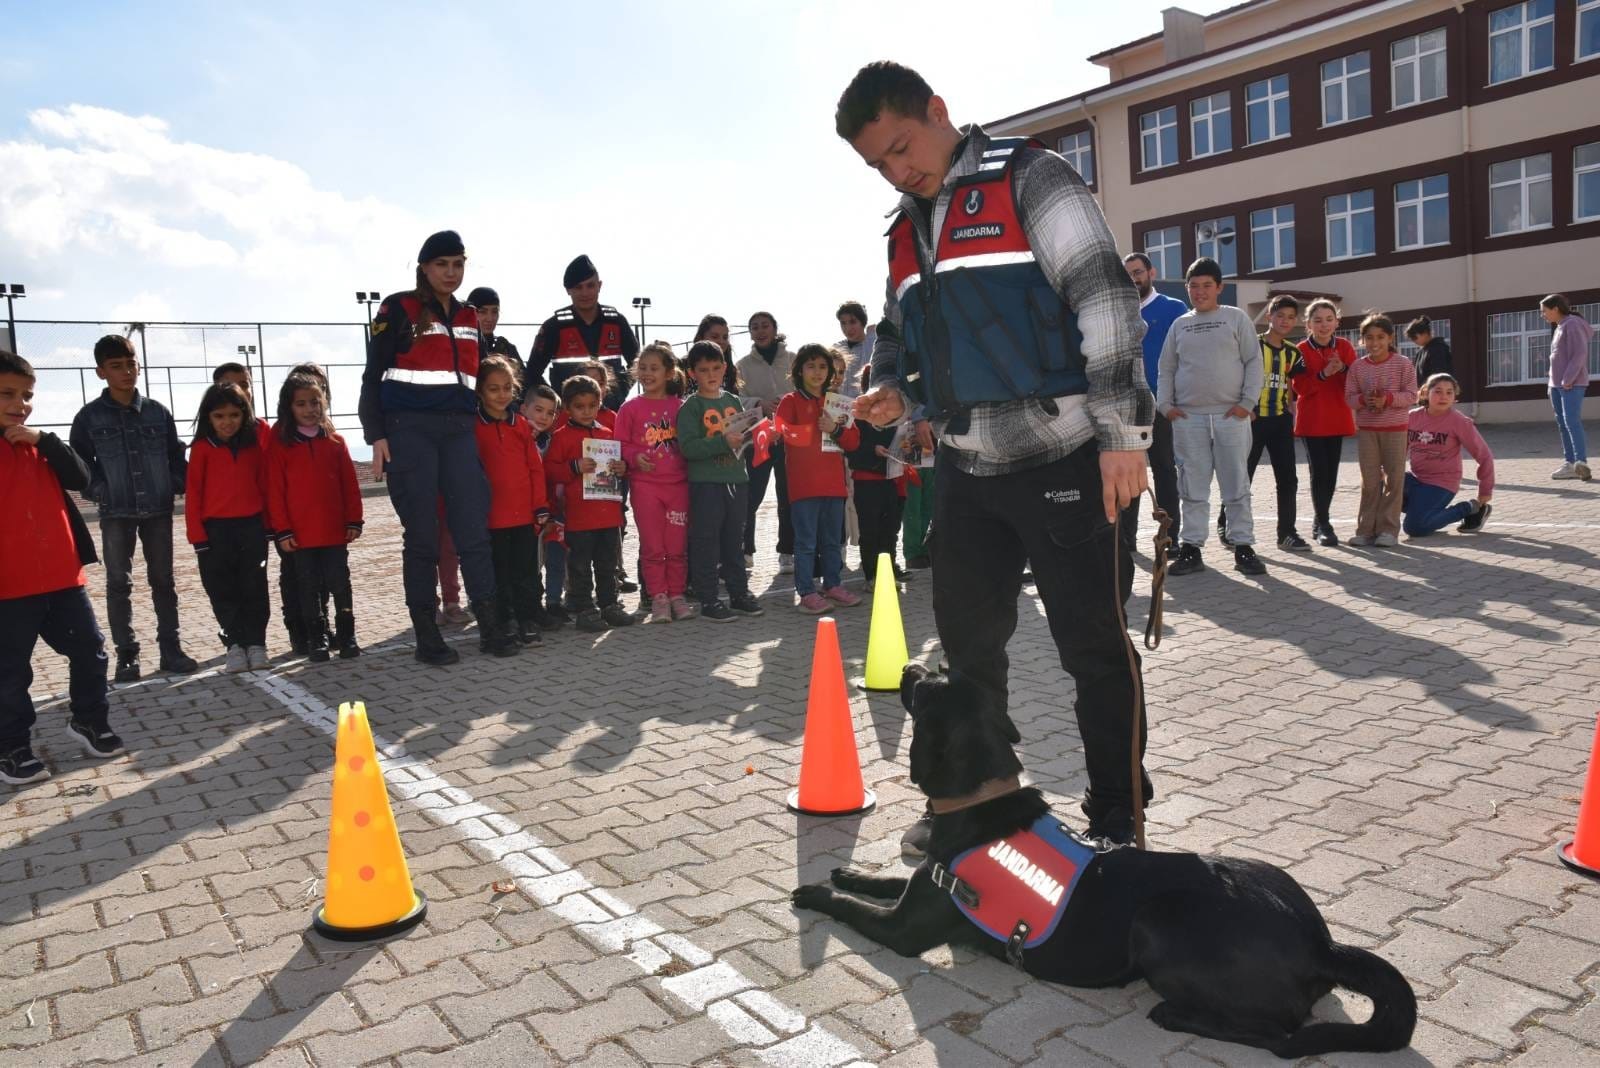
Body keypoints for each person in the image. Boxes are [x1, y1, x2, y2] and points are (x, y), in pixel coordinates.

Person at [838, 60, 1152, 850]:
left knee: (1093, 648)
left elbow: (1106, 299)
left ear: (940, 111)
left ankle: (1118, 815)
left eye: (904, 147)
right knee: (968, 652)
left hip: (1069, 458)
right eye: (879, 164)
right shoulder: (904, 231)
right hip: (965, 472)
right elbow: (898, 336)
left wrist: (1121, 435)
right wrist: (892, 394)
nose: (899, 170)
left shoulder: (1031, 177)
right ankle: (978, 803)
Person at [359, 230, 514, 663]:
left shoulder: (468, 316)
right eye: (442, 264)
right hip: (410, 431)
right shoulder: (398, 307)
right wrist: (377, 435)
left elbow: (478, 381)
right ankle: (427, 635)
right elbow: (373, 374)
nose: (451, 272)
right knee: (423, 537)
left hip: (460, 432)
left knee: (472, 531)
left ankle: (490, 627)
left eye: (458, 264)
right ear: (424, 267)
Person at [1, 349, 121, 784]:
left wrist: (45, 441)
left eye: (27, 395)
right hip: (8, 590)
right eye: (7, 394)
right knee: (11, 674)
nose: (20, 404)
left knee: (90, 650)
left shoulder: (39, 446)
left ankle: (88, 720)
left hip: (62, 580)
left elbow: (82, 479)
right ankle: (12, 748)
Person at [68, 334, 197, 682]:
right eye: (116, 366)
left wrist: (173, 483)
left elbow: (176, 455)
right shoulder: (89, 417)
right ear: (101, 372)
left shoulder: (158, 412)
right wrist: (100, 491)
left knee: (163, 581)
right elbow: (78, 466)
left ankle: (171, 649)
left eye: (131, 364)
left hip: (157, 510)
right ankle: (127, 656)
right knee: (118, 583)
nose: (126, 372)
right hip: (115, 512)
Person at [1157, 257, 1266, 577]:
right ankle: (1191, 549)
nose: (1200, 291)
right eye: (1194, 286)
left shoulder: (1235, 319)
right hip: (1188, 420)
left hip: (1231, 418)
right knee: (1191, 486)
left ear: (1219, 287)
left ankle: (1243, 547)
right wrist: (1166, 406)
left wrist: (1247, 402)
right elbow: (1166, 368)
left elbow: (1253, 362)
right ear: (1187, 289)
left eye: (1207, 285)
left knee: (1236, 484)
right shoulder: (1180, 324)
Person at [266, 374, 363, 662]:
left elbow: (349, 484)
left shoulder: (336, 442)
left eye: (315, 402)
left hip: (335, 533)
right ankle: (317, 639)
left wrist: (353, 520)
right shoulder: (281, 446)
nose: (310, 409)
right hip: (300, 537)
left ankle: (348, 636)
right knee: (308, 589)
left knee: (340, 585)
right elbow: (275, 491)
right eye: (301, 404)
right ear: (289, 407)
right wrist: (282, 530)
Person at [185, 383, 270, 673]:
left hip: (252, 528)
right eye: (219, 416)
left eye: (234, 414)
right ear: (208, 417)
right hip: (214, 533)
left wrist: (268, 525)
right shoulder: (200, 449)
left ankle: (257, 644)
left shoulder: (254, 445)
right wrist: (197, 536)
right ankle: (234, 645)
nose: (227, 422)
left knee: (254, 587)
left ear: (245, 414)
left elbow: (264, 485)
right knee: (221, 590)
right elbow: (193, 493)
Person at [677, 341, 764, 623]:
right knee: (706, 542)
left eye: (716, 368)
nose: (711, 374)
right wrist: (722, 442)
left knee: (733, 541)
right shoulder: (691, 407)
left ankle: (739, 594)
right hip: (706, 484)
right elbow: (689, 448)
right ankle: (708, 599)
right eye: (703, 370)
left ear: (725, 368)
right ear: (692, 374)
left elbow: (742, 438)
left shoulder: (732, 400)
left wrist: (756, 436)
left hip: (737, 480)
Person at [777, 344, 863, 613]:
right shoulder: (790, 401)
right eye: (811, 366)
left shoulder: (837, 402)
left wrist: (835, 428)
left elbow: (854, 442)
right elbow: (780, 432)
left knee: (831, 542)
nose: (817, 372)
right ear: (799, 370)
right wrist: (810, 429)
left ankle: (833, 585)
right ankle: (806, 592)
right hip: (804, 487)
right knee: (805, 543)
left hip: (834, 486)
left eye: (823, 367)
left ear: (831, 372)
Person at [545, 375, 633, 633]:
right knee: (580, 566)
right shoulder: (561, 436)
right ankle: (584, 608)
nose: (586, 411)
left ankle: (609, 605)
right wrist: (574, 466)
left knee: (608, 564)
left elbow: (619, 470)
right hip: (579, 516)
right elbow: (550, 470)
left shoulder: (607, 434)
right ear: (567, 408)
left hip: (609, 515)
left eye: (592, 405)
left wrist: (621, 468)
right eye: (579, 406)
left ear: (600, 403)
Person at [1219, 295, 1307, 551]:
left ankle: (1286, 533)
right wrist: (1247, 408)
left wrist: (1292, 412)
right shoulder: (1253, 345)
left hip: (1280, 422)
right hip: (1252, 421)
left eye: (1291, 317)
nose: (1285, 321)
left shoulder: (1293, 352)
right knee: (1242, 476)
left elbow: (1292, 386)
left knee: (1288, 479)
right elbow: (1235, 376)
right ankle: (1227, 524)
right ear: (1269, 316)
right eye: (1280, 316)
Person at [474, 356, 551, 647]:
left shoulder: (520, 425)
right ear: (480, 391)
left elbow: (535, 467)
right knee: (499, 574)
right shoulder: (473, 428)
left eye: (507, 387)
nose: (502, 394)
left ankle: (527, 619)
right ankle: (503, 620)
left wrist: (540, 505)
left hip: (524, 517)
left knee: (526, 572)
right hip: (491, 519)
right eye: (493, 389)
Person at [617, 344, 696, 623]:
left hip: (678, 487)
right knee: (652, 547)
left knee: (676, 547)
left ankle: (677, 595)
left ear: (669, 372)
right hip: (645, 487)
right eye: (643, 367)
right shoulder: (629, 409)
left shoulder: (681, 407)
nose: (647, 373)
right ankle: (658, 598)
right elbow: (621, 445)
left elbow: (692, 442)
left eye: (654, 368)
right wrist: (636, 457)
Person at [1119, 253, 1186, 554]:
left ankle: (1169, 536)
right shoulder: (1118, 312)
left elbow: (1187, 358)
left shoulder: (1174, 309)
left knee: (1164, 469)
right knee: (1128, 471)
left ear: (1151, 272)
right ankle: (1125, 540)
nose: (1133, 278)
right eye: (1128, 274)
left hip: (1160, 404)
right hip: (1127, 406)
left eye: (1138, 272)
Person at [1344, 311, 1418, 547]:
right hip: (1367, 431)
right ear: (1363, 340)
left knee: (1395, 480)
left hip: (1396, 430)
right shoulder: (1357, 367)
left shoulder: (1403, 364)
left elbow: (1412, 395)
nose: (1374, 343)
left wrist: (1387, 398)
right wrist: (1365, 401)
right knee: (1370, 481)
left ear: (1390, 338)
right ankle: (1366, 530)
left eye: (1380, 337)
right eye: (1369, 337)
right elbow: (1349, 398)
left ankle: (1388, 530)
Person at [1290, 298, 1359, 546]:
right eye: (1317, 320)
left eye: (1329, 319)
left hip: (1337, 417)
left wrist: (1342, 370)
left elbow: (1355, 381)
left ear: (1337, 321)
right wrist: (1323, 374)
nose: (1324, 325)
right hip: (1313, 420)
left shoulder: (1344, 346)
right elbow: (1300, 388)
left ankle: (1320, 520)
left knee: (1331, 474)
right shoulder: (1299, 350)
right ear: (1308, 324)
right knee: (1319, 473)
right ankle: (1325, 524)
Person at [529, 256, 636, 409]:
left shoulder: (617, 322)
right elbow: (533, 372)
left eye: (590, 286)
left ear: (599, 286)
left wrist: (619, 393)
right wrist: (556, 400)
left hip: (610, 414)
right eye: (578, 287)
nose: (585, 293)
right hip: (569, 417)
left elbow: (638, 365)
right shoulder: (554, 327)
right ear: (567, 290)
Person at [736, 311, 796, 573]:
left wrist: (786, 403)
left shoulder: (793, 360)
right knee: (751, 496)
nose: (760, 331)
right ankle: (745, 550)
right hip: (757, 439)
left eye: (765, 326)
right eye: (754, 327)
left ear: (774, 328)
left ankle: (787, 551)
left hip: (789, 438)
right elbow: (736, 400)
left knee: (788, 495)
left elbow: (804, 391)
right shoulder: (742, 366)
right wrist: (759, 403)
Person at [1404, 374, 1494, 536]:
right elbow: (1399, 451)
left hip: (1441, 483)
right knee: (1379, 487)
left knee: (1415, 528)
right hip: (1415, 478)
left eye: (1449, 392)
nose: (1443, 397)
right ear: (1425, 392)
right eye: (1438, 391)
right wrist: (1385, 472)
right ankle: (1425, 511)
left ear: (1454, 397)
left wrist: (1485, 489)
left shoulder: (1459, 422)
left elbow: (1485, 456)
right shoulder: (1412, 417)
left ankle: (1469, 508)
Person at [846, 364, 911, 590]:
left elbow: (905, 441)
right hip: (866, 480)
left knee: (890, 530)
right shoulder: (857, 416)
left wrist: (908, 445)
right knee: (870, 530)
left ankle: (888, 572)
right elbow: (851, 447)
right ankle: (871, 576)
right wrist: (872, 449)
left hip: (893, 479)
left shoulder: (899, 413)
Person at [522, 384, 570, 627]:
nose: (543, 417)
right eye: (538, 410)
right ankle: (521, 610)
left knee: (550, 560)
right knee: (524, 566)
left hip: (545, 516)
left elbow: (550, 482)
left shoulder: (549, 443)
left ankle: (548, 605)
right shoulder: (515, 437)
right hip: (517, 514)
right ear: (524, 409)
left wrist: (551, 513)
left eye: (550, 413)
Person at [1541, 294, 1593, 481]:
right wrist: (1552, 376)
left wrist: (1568, 379)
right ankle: (1570, 463)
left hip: (1570, 384)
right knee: (1563, 424)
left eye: (1544, 311)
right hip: (1556, 384)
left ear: (1555, 309)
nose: (1543, 315)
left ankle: (1581, 462)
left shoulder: (1572, 324)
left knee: (1571, 421)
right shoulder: (1561, 326)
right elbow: (1560, 355)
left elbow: (1579, 353)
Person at [469, 286, 526, 393]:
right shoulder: (461, 345)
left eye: (494, 312)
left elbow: (525, 384)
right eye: (482, 312)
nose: (489, 318)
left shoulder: (505, 347)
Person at [835, 301, 876, 399]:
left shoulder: (873, 343)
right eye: (843, 323)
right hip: (840, 407)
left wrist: (872, 335)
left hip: (868, 404)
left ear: (862, 322)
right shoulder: (837, 348)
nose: (848, 328)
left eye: (853, 322)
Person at [1405, 316, 1453, 388]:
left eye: (1414, 337)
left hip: (1436, 392)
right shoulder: (1421, 352)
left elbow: (1439, 375)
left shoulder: (1438, 348)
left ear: (1425, 333)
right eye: (1411, 339)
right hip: (1424, 394)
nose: (1414, 341)